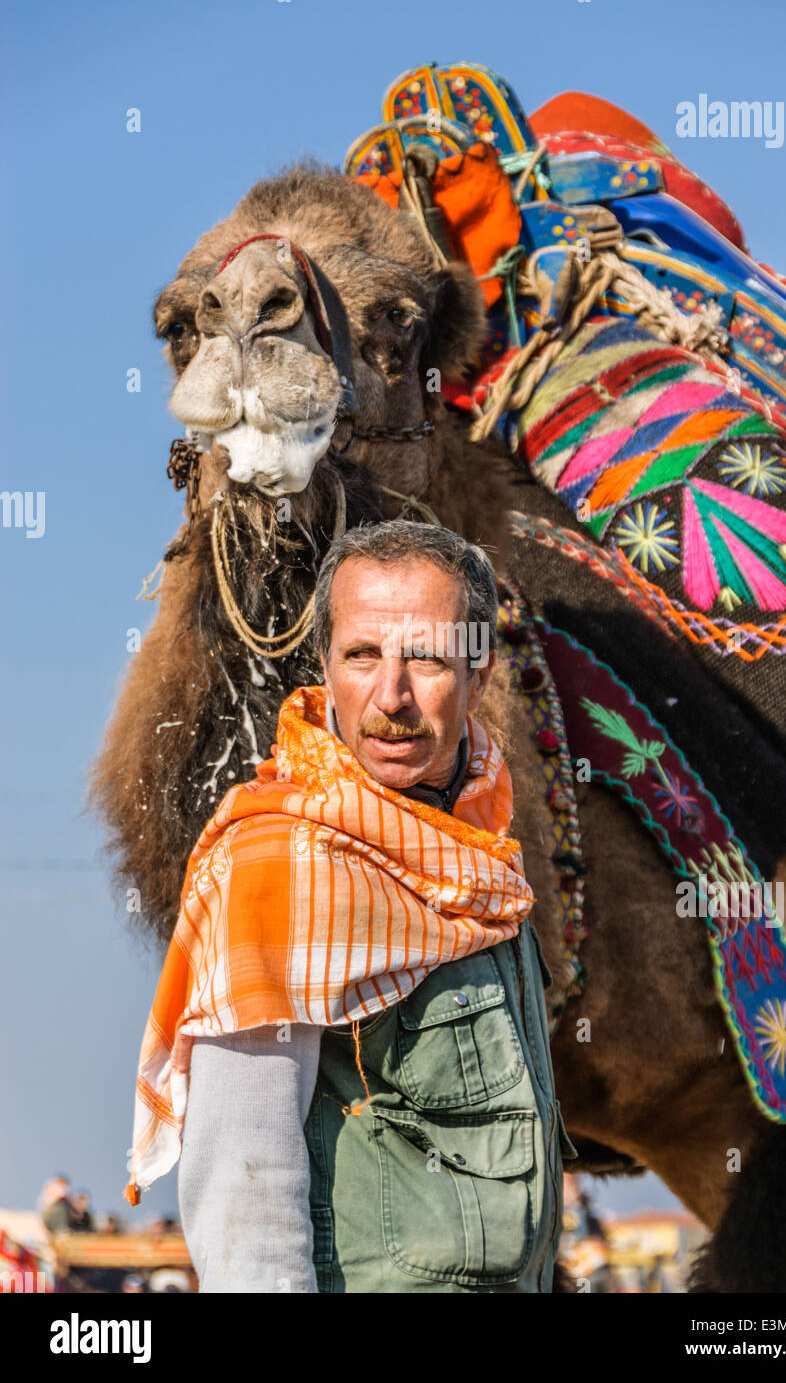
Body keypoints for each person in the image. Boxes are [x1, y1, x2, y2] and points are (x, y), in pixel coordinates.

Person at [125, 521, 574, 1292]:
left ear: (480, 669)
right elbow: (244, 1189)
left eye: (425, 656)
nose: (390, 696)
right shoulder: (273, 870)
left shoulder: (485, 859)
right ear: (325, 667)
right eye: (362, 655)